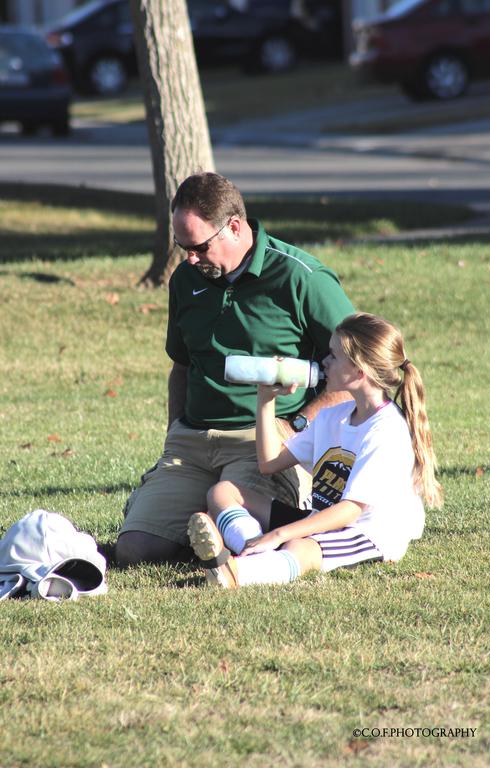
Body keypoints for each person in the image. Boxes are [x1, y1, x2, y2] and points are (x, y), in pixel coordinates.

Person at [116, 172, 355, 566]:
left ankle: (229, 539)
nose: (190, 258)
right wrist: (175, 431)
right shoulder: (185, 279)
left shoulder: (301, 277)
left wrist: (297, 426)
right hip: (191, 443)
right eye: (182, 247)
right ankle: (199, 529)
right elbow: (182, 366)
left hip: (263, 443)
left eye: (199, 247)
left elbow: (359, 369)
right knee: (135, 551)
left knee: (241, 532)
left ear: (234, 227)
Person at [187, 312, 443, 588]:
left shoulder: (386, 430)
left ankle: (238, 572)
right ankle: (254, 549)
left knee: (300, 546)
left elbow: (350, 512)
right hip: (322, 519)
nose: (324, 362)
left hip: (365, 532)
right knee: (222, 492)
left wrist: (280, 533)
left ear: (359, 371)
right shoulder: (334, 416)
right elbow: (269, 462)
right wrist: (265, 399)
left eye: (333, 356)